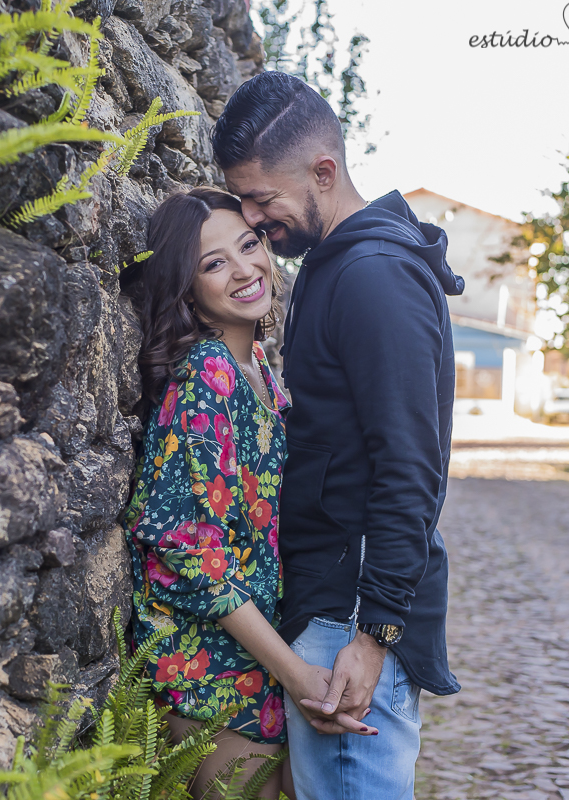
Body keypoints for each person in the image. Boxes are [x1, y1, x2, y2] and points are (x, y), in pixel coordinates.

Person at [210, 71, 465, 800]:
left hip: (349, 621)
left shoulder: (373, 276)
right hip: (333, 606)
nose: (255, 222)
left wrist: (374, 632)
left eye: (263, 199)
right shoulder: (338, 263)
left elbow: (412, 465)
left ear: (324, 171)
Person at [122, 187, 377, 800]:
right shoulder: (208, 375)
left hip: (258, 660)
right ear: (186, 288)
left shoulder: (259, 369)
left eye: (249, 243)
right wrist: (295, 674)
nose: (244, 269)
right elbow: (186, 551)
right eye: (214, 263)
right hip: (209, 670)